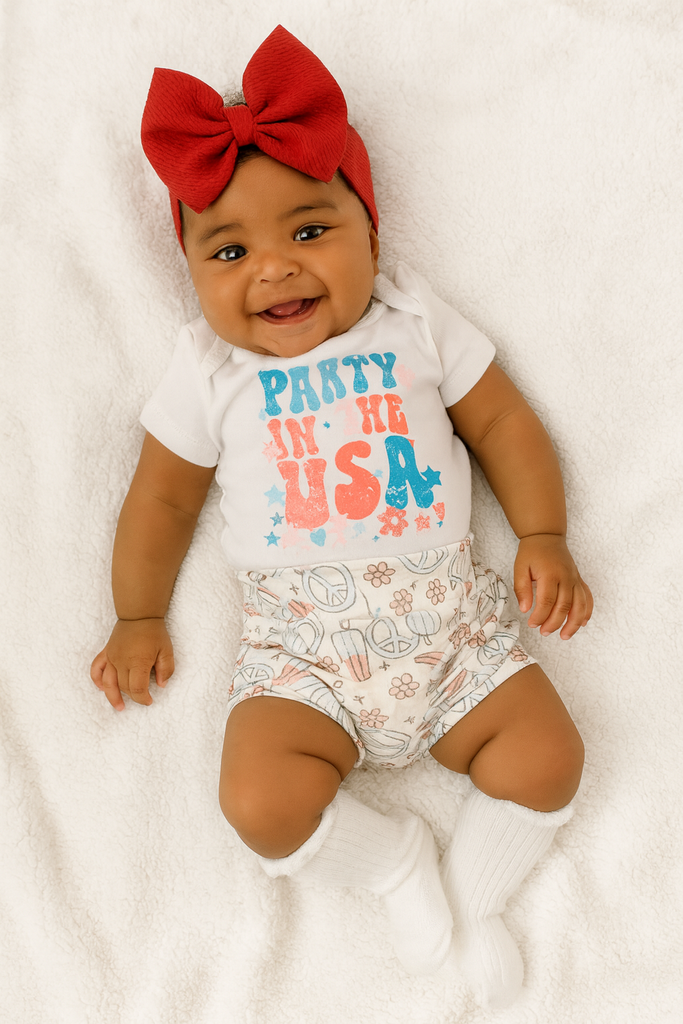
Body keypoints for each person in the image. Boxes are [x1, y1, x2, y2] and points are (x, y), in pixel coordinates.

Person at [90, 26, 591, 1010]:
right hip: (302, 657)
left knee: (549, 757)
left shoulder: (413, 321)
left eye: (309, 231)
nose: (273, 268)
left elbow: (499, 422)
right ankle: (391, 862)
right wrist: (137, 613)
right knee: (257, 800)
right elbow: (161, 496)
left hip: (451, 634)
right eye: (229, 250)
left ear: (372, 233)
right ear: (190, 271)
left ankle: (470, 902)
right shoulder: (208, 371)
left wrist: (542, 534)